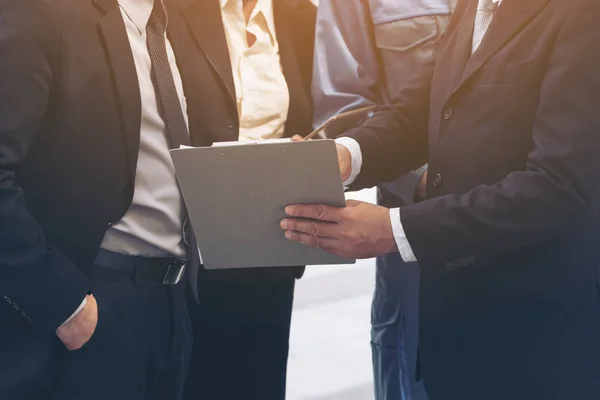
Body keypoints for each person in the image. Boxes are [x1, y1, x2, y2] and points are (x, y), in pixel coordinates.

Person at [281, 0, 600, 399]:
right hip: (458, 315)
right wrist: (347, 154)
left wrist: (394, 228)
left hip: (537, 332)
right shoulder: (475, 6)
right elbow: (425, 109)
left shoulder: (583, 13)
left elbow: (559, 186)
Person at [0, 0, 207, 398]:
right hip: (91, 301)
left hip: (171, 304)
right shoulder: (43, 11)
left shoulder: (168, 19)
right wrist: (65, 304)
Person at [170, 1, 317, 399]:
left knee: (260, 381)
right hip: (188, 255)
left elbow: (308, 117)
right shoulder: (171, 9)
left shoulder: (299, 14)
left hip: (270, 251)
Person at [312, 1, 455, 399]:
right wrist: (424, 178)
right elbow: (345, 106)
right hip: (407, 234)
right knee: (415, 374)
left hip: (525, 223)